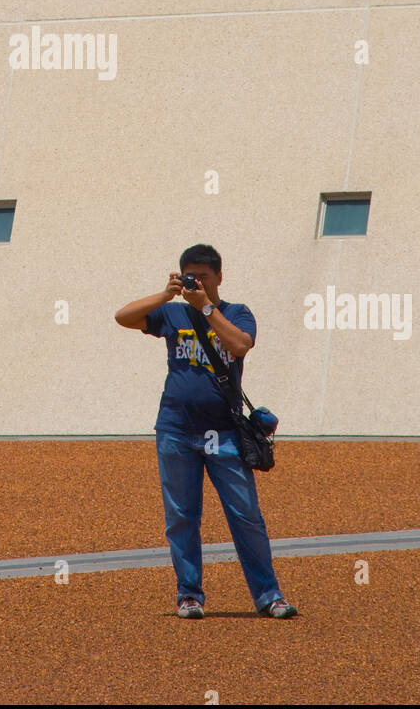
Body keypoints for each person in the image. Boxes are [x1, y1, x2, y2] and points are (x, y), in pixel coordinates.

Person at [115, 243, 298, 620]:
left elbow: (241, 345)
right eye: (190, 276)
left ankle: (269, 595)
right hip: (176, 429)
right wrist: (166, 294)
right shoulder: (171, 313)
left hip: (225, 432)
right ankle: (189, 596)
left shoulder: (237, 313)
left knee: (245, 515)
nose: (196, 282)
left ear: (219, 277)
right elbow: (123, 317)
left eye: (204, 276)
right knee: (181, 516)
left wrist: (207, 308)